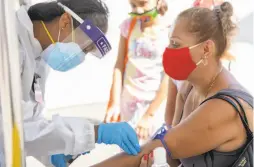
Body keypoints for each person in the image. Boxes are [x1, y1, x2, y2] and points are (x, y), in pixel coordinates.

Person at [90, 2, 253, 167]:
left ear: (206, 49)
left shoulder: (223, 108)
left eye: (175, 44)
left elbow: (159, 147)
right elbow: (173, 159)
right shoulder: (191, 87)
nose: (167, 50)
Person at [0, 0, 141, 166]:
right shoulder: (8, 45)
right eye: (83, 48)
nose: (80, 58)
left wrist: (51, 153)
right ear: (65, 21)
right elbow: (13, 128)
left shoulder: (39, 55)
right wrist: (94, 132)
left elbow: (30, 122)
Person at [104, 0, 169, 143]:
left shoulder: (169, 32)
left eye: (143, 3)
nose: (138, 10)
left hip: (153, 106)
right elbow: (119, 65)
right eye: (133, 5)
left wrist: (149, 115)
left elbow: (168, 77)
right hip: (128, 103)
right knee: (127, 153)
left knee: (150, 155)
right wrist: (115, 103)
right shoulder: (129, 26)